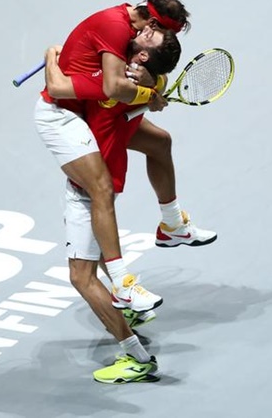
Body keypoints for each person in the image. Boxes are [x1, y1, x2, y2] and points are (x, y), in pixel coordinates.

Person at [34, 0, 189, 319]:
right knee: (85, 257)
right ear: (151, 25)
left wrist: (153, 86)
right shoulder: (111, 75)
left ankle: (171, 225)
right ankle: (122, 285)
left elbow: (135, 80)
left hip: (95, 131)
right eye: (161, 31)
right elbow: (59, 88)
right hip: (75, 133)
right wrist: (51, 56)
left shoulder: (122, 66)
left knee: (159, 143)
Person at [42, 27, 180, 384]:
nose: (138, 33)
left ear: (142, 59)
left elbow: (58, 88)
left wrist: (52, 54)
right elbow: (148, 83)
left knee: (81, 276)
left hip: (89, 186)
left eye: (147, 38)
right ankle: (131, 295)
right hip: (106, 173)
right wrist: (154, 90)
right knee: (100, 253)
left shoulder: (109, 88)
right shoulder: (141, 89)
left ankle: (136, 357)